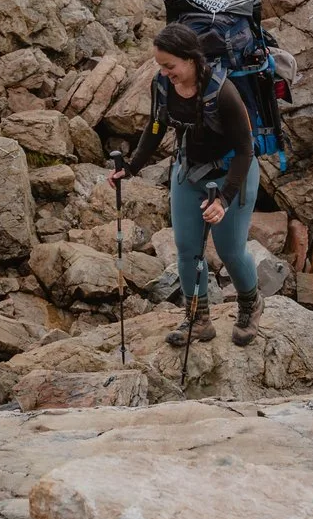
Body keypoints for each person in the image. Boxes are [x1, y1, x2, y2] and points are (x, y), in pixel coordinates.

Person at [108, 23, 263, 349]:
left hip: (232, 174)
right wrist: (132, 168)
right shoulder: (162, 86)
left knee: (230, 251)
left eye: (170, 66)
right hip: (188, 173)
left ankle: (251, 305)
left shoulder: (223, 93)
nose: (164, 73)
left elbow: (246, 151)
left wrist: (223, 199)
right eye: (160, 66)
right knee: (188, 250)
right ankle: (198, 320)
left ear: (191, 59)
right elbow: (154, 129)